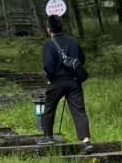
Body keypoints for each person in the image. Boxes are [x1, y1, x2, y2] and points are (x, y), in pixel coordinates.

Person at [40, 14, 93, 152]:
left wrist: (50, 77)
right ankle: (86, 141)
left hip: (56, 81)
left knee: (49, 107)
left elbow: (48, 65)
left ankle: (48, 136)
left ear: (48, 30)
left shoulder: (48, 44)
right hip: (73, 81)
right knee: (79, 111)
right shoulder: (73, 41)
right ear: (61, 27)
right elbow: (81, 59)